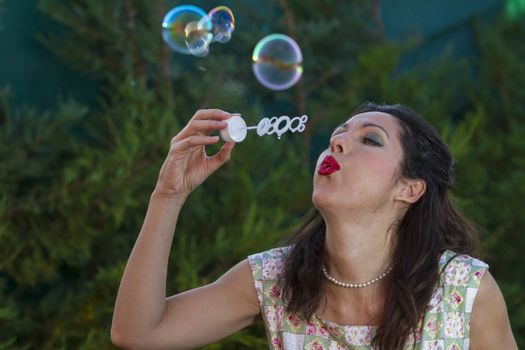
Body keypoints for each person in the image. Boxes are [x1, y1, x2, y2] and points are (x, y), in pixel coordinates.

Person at [111, 103, 518, 349]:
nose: (336, 143)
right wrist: (168, 195)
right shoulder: (274, 280)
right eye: (338, 135)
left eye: (370, 140)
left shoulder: (463, 291)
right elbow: (138, 334)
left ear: (410, 189)